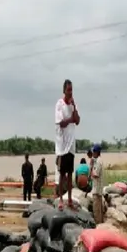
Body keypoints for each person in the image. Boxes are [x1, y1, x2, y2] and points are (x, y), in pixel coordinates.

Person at [54, 79, 80, 210]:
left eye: (72, 90)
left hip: (71, 146)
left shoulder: (73, 104)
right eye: (69, 90)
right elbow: (62, 123)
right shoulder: (59, 104)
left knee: (70, 174)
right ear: (64, 90)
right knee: (62, 174)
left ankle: (69, 199)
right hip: (62, 145)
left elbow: (78, 120)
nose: (70, 92)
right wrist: (71, 119)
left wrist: (74, 107)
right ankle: (60, 200)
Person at [91, 144, 105, 224]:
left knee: (96, 211)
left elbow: (95, 175)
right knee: (99, 210)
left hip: (97, 190)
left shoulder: (98, 162)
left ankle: (98, 226)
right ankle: (100, 225)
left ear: (96, 152)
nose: (92, 153)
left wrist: (91, 166)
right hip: (98, 189)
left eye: (93, 151)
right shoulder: (99, 160)